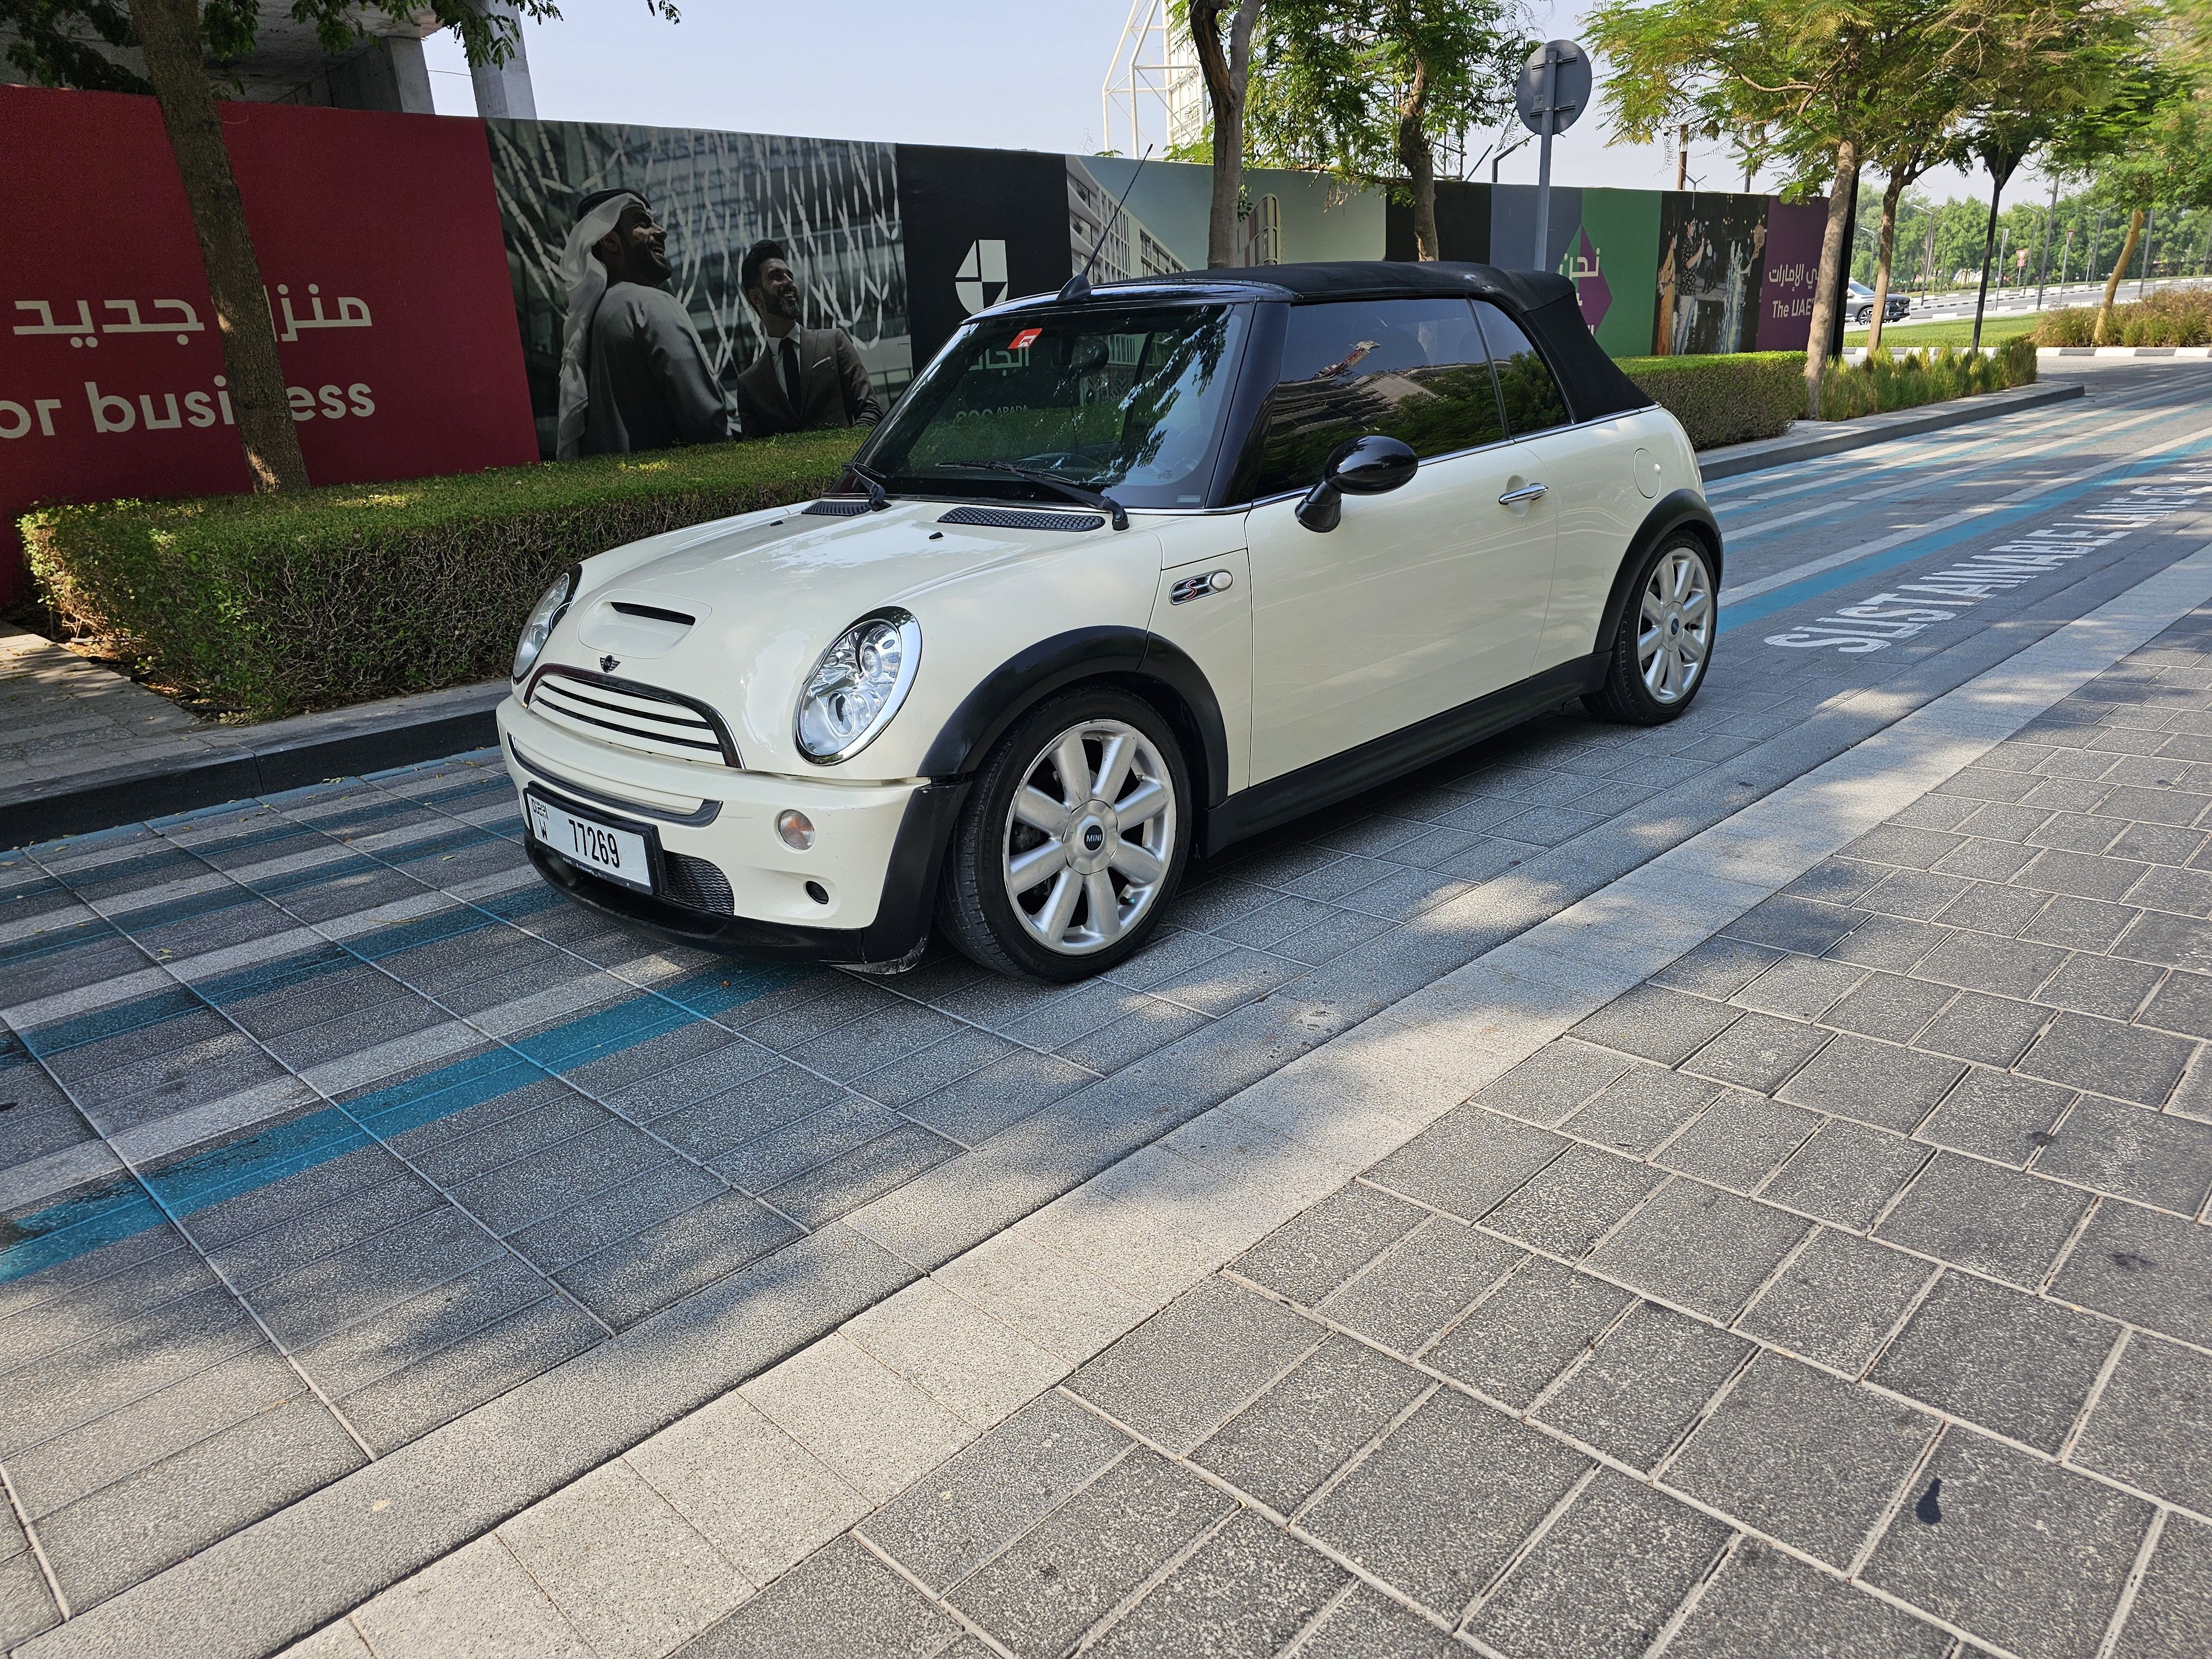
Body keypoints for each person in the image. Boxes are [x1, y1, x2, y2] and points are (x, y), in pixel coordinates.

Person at [554, 189, 731, 459]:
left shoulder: (591, 326)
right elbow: (707, 424)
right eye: (642, 223)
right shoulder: (650, 303)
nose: (661, 232)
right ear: (611, 241)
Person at [734, 239, 882, 439]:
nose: (789, 282)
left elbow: (871, 410)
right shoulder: (749, 384)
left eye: (789, 275)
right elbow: (754, 455)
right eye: (776, 276)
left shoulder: (834, 342)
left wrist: (846, 458)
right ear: (756, 297)